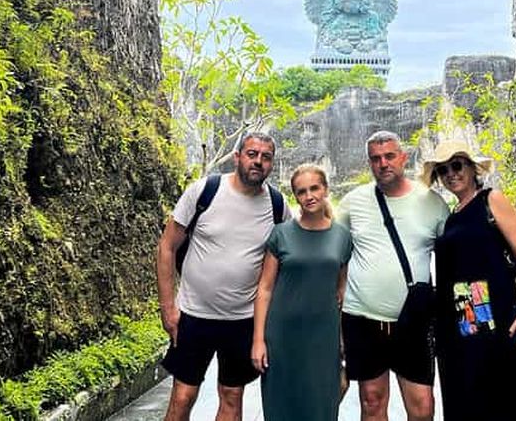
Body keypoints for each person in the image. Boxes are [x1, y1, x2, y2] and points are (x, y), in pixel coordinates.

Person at [156, 132, 290, 421]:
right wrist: (168, 308)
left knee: (232, 398)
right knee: (182, 396)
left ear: (272, 164)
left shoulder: (278, 206)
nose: (258, 161)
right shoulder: (205, 191)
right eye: (252, 154)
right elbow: (167, 247)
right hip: (194, 315)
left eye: (266, 157)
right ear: (237, 156)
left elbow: (291, 258)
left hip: (242, 320)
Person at [337, 130, 450, 421]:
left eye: (389, 156)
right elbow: (333, 252)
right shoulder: (353, 203)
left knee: (422, 406)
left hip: (414, 321)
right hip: (362, 318)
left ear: (403, 158)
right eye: (375, 159)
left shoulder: (432, 203)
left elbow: (455, 258)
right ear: (369, 164)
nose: (383, 163)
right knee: (372, 401)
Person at [422, 140, 516, 420]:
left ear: (472, 168)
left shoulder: (491, 200)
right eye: (443, 169)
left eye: (457, 165)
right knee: (469, 396)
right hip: (463, 316)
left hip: (497, 311)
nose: (451, 173)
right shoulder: (450, 219)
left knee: (504, 395)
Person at [251, 164, 352, 421]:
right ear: (295, 196)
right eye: (302, 191)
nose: (309, 196)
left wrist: (342, 343)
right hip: (282, 337)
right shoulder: (281, 234)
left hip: (322, 339)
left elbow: (341, 289)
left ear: (326, 189)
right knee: (282, 407)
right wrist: (258, 340)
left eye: (315, 188)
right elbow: (264, 289)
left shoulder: (342, 236)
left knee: (321, 407)